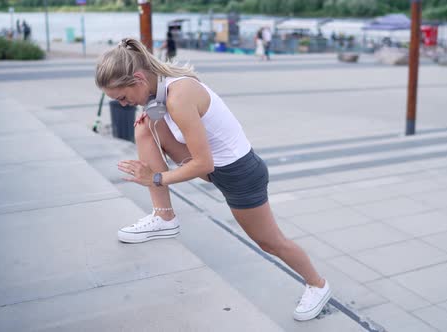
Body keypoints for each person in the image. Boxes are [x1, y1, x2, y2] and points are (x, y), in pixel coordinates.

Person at [95, 37, 331, 321]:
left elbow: (202, 163)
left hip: (240, 174)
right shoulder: (161, 92)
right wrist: (153, 119)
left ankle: (318, 285)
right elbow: (197, 156)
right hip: (216, 168)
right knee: (146, 127)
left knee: (270, 242)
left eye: (122, 97)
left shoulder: (178, 96)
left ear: (138, 78)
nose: (123, 104)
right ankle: (164, 217)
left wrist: (156, 178)